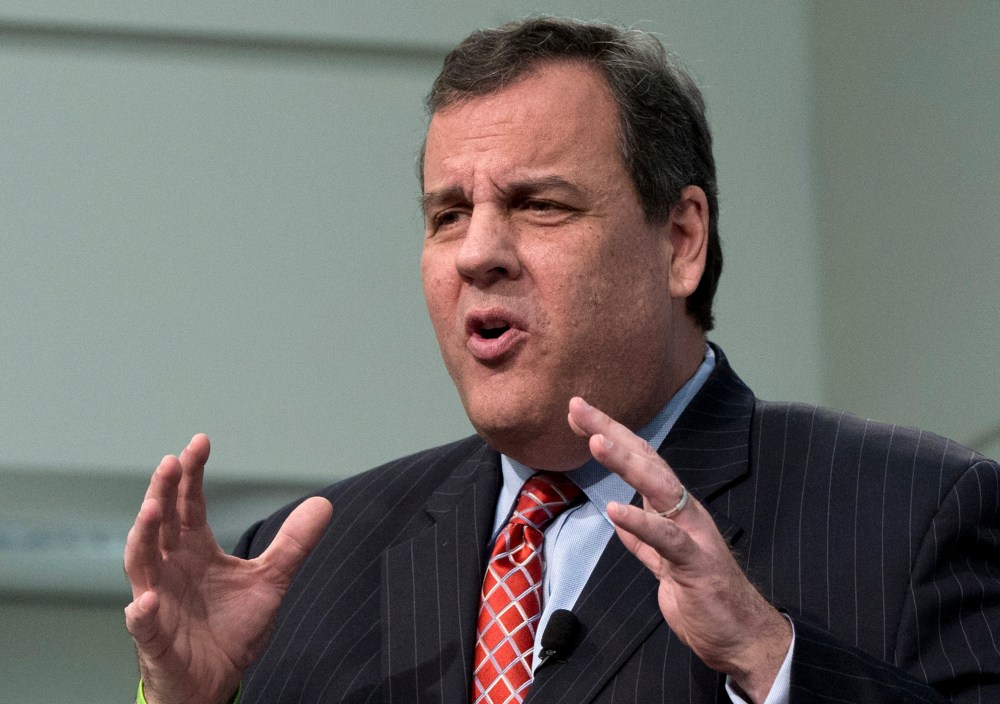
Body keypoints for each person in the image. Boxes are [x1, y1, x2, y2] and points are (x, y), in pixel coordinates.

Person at [124, 16, 1000, 704]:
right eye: (447, 216)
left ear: (681, 241)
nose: (478, 254)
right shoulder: (301, 567)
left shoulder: (911, 513)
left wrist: (773, 663)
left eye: (539, 204)